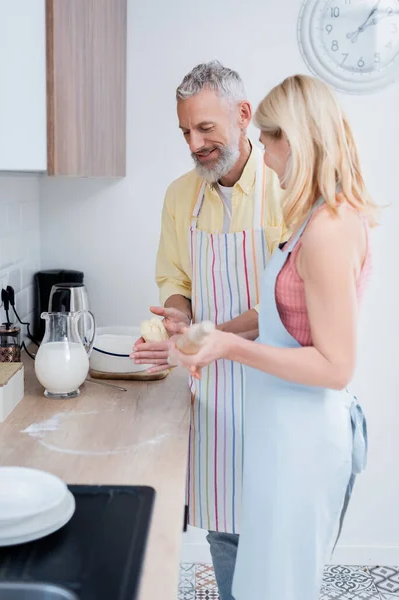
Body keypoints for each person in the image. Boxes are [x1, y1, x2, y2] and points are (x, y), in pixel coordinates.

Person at [170, 74, 376, 600]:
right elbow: (280, 319)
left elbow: (336, 367)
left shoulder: (329, 229)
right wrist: (206, 333)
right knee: (263, 586)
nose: (265, 154)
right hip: (282, 434)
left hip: (305, 441)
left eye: (268, 140)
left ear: (297, 140)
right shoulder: (309, 218)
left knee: (279, 588)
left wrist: (230, 347)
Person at [130, 61, 286, 599]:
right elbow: (175, 279)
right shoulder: (181, 196)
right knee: (225, 531)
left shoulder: (284, 189)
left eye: (205, 129)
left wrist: (210, 332)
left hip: (278, 382)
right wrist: (178, 317)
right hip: (216, 390)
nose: (194, 143)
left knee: (277, 529)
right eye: (186, 132)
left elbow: (286, 304)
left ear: (243, 116)